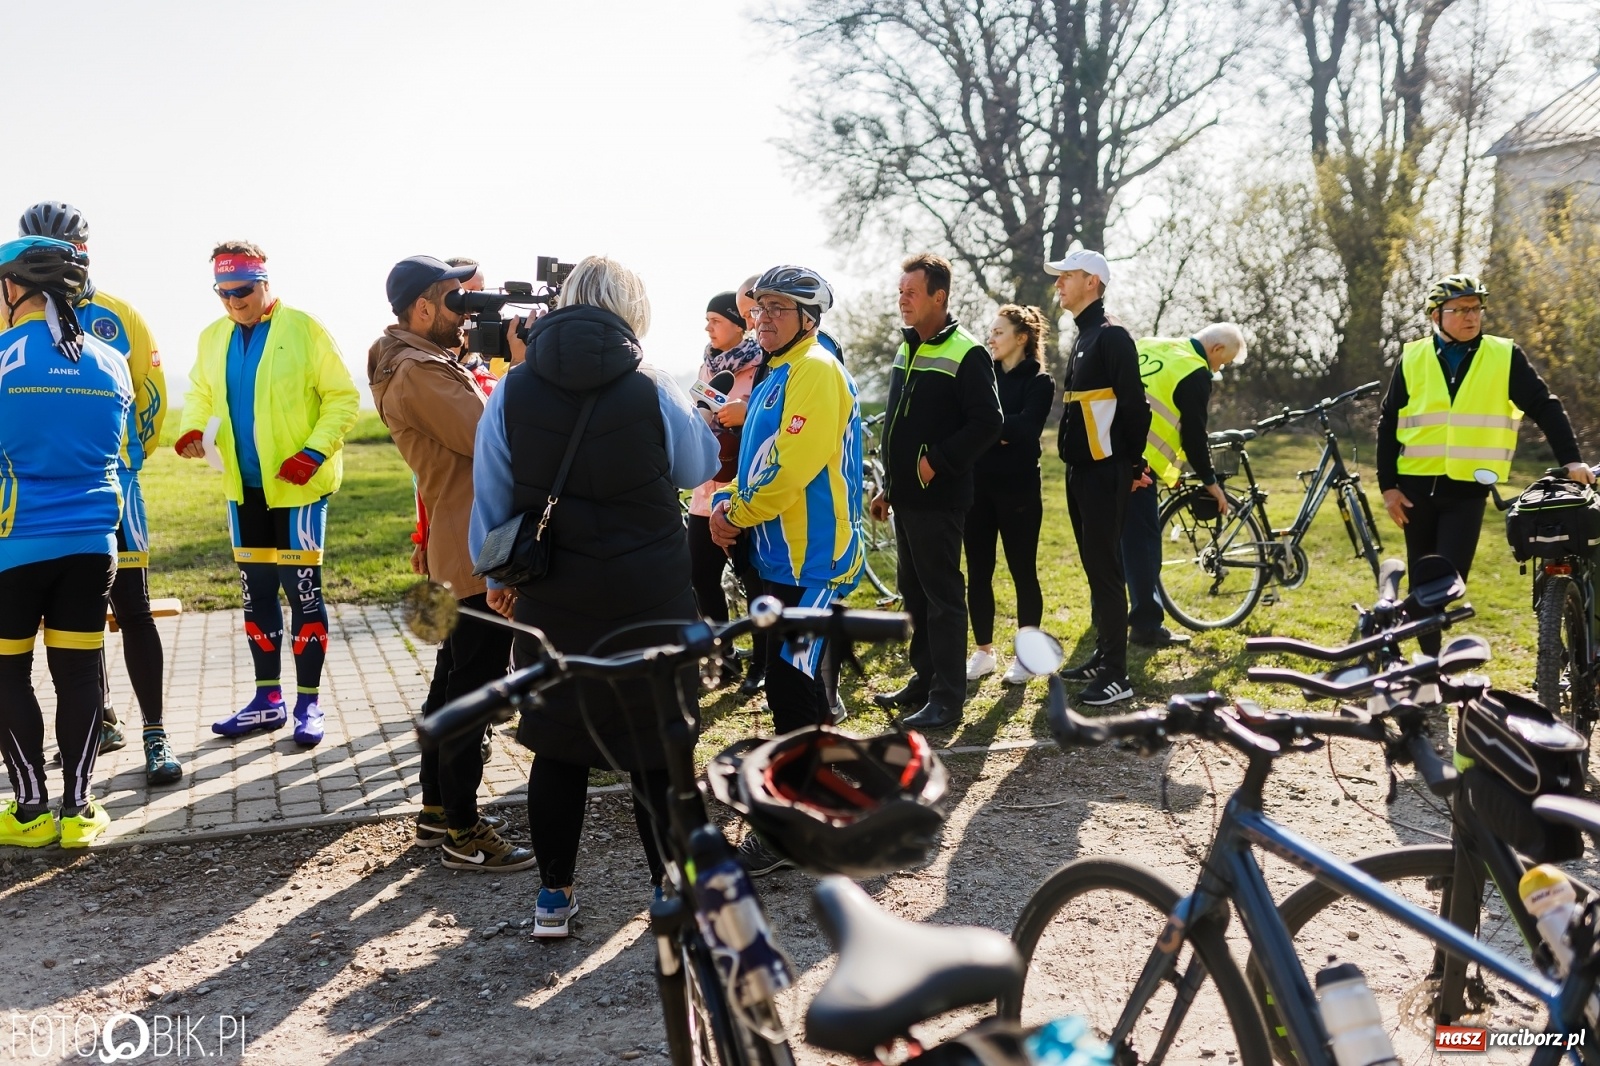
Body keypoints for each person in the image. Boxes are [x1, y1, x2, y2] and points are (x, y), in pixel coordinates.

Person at [470, 256, 718, 936]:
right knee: (656, 747)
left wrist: (496, 579)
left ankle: (554, 897)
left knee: (558, 745)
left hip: (555, 595)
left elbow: (490, 493)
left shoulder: (513, 388)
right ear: (631, 312)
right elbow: (698, 466)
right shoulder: (653, 385)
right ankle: (669, 891)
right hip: (653, 595)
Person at [371, 255, 531, 872]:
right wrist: (519, 368)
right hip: (473, 548)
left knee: (452, 680)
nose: (465, 314)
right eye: (453, 301)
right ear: (421, 308)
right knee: (476, 691)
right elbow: (495, 437)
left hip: (461, 540)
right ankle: (465, 831)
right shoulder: (418, 372)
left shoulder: (421, 362)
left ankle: (438, 811)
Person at [708, 263, 865, 874]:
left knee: (790, 685)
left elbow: (792, 468)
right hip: (779, 557)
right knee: (794, 685)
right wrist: (728, 503)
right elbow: (759, 460)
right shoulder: (780, 370)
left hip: (813, 563)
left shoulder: (816, 370)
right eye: (759, 308)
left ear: (809, 317)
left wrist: (737, 513)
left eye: (777, 308)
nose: (762, 319)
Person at [18, 201, 179, 785]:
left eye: (68, 251)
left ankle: (156, 736)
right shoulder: (12, 316)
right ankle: (99, 723)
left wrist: (125, 460)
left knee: (133, 608)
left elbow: (151, 397)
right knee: (67, 617)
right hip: (34, 496)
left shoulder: (118, 314)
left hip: (114, 486)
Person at [174, 242, 359, 746]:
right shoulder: (213, 336)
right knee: (256, 595)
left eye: (242, 291)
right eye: (223, 292)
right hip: (242, 489)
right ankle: (266, 701)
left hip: (298, 490)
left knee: (302, 593)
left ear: (264, 282)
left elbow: (343, 398)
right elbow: (200, 393)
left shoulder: (305, 328)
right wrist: (193, 430)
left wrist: (314, 452)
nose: (234, 302)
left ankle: (309, 703)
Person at [1377, 273, 1591, 652]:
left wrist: (1571, 461)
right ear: (1436, 316)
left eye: (1476, 308)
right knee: (1425, 583)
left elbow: (1545, 406)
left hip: (1466, 492)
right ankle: (1428, 671)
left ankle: (1388, 619)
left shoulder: (1503, 356)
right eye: (1460, 310)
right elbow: (1389, 420)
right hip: (1414, 491)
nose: (1471, 316)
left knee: (1446, 582)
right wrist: (1388, 487)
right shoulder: (1413, 357)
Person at [0, 236, 131, 849]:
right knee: (79, 672)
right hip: (92, 541)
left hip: (12, 545)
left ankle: (29, 809)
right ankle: (79, 810)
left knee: (8, 672)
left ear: (12, 288)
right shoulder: (110, 360)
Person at [869, 253, 1002, 729]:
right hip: (906, 498)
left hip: (940, 498)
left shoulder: (968, 352)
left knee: (943, 598)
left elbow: (988, 422)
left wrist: (934, 463)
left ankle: (947, 698)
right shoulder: (906, 348)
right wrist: (890, 486)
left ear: (938, 296)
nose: (902, 300)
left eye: (911, 292)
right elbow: (898, 427)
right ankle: (925, 681)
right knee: (914, 593)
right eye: (900, 292)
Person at [1050, 248, 1150, 705]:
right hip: (1081, 472)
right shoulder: (1084, 335)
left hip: (1104, 472)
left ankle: (1116, 675)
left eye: (1066, 275)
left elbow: (1135, 408)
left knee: (1107, 572)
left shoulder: (1112, 336)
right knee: (1096, 568)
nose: (1058, 283)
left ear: (1091, 281)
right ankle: (1104, 655)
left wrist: (1132, 465)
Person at [1123, 323, 1248, 648]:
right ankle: (1147, 627)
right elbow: (1194, 435)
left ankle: (1104, 615)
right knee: (1144, 548)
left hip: (1106, 453)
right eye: (1222, 363)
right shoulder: (1195, 371)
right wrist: (1211, 482)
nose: (1218, 370)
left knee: (1112, 544)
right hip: (1140, 465)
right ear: (1216, 349)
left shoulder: (1149, 343)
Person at [964, 305, 1055, 685]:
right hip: (977, 486)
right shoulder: (982, 376)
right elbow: (969, 421)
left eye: (999, 332)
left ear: (1022, 337)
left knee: (1023, 572)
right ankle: (984, 652)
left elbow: (1027, 428)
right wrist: (999, 430)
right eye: (991, 332)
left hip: (1019, 489)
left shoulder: (1040, 381)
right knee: (978, 572)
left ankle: (1027, 657)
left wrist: (989, 428)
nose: (991, 338)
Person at [686, 291, 764, 681]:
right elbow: (699, 412)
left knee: (754, 582)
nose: (708, 328)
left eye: (715, 320)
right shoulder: (709, 367)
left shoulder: (762, 363)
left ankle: (763, 663)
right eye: (707, 320)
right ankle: (725, 656)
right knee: (701, 576)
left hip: (744, 490)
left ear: (738, 324)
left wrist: (744, 416)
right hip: (705, 492)